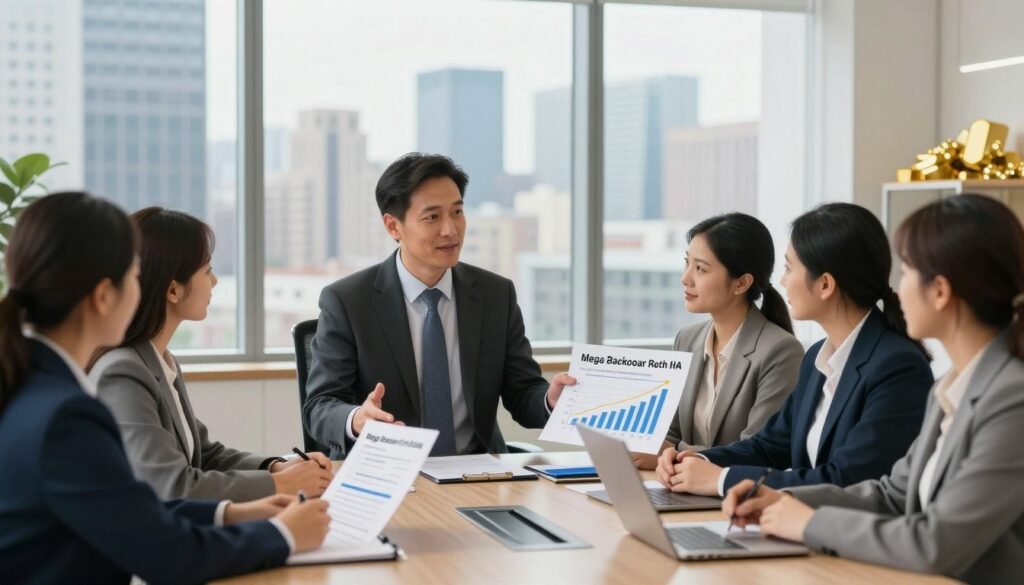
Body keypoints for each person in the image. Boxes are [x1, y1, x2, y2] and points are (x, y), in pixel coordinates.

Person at [0, 192, 329, 584]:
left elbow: (125, 508)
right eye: (133, 277)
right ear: (103, 296)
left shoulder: (31, 386)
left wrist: (230, 513)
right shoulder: (65, 417)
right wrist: (283, 534)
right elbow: (168, 554)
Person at [723, 194, 1024, 583]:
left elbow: (935, 543)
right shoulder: (951, 389)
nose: (897, 287)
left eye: (908, 271)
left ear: (940, 291)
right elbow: (891, 495)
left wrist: (808, 523)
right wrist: (784, 500)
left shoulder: (1012, 400)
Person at [303, 153, 575, 457]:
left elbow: (522, 392)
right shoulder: (348, 301)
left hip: (477, 471)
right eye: (432, 217)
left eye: (457, 212)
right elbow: (320, 406)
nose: (450, 229)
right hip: (387, 470)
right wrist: (356, 419)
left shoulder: (496, 295)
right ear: (393, 226)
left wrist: (549, 400)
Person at [656, 202, 933, 496]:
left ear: (825, 285)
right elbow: (770, 446)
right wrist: (695, 461)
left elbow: (846, 479)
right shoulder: (818, 358)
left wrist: (721, 480)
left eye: (789, 268)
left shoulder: (897, 367)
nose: (783, 281)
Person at [90, 207, 333, 501]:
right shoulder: (123, 372)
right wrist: (280, 485)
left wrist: (276, 467)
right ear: (173, 290)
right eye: (207, 271)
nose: (214, 281)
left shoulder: (159, 360)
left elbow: (205, 455)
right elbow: (172, 487)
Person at [636, 213, 803, 469]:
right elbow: (672, 431)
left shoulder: (780, 351)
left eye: (700, 268)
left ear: (741, 283)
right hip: (681, 484)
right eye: (687, 263)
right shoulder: (687, 339)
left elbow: (757, 451)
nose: (685, 278)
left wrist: (675, 452)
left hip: (736, 489)